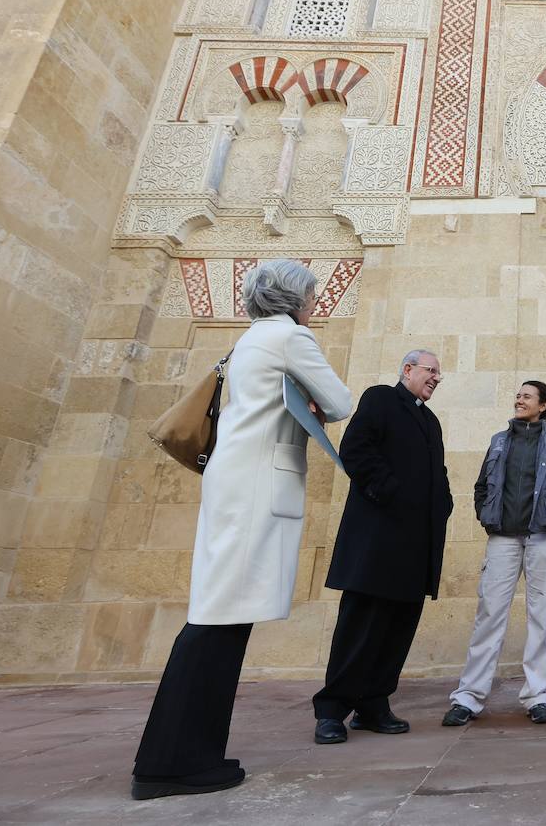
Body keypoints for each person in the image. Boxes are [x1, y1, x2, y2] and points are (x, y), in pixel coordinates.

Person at [132, 259, 352, 800]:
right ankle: (171, 764)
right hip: (256, 487)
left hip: (234, 483)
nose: (313, 305)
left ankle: (187, 755)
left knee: (218, 614)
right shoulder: (289, 338)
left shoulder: (249, 339)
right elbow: (341, 402)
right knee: (219, 619)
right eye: (310, 296)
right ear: (295, 299)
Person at [312, 350, 454, 744]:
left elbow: (437, 472)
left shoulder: (430, 420)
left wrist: (442, 504)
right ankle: (331, 710)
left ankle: (374, 704)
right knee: (361, 626)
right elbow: (356, 451)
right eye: (431, 371)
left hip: (415, 546)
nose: (436, 378)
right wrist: (389, 492)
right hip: (378, 541)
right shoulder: (380, 398)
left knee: (397, 627)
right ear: (407, 370)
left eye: (439, 374)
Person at [443, 381, 546, 726]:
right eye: (518, 395)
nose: (519, 399)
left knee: (541, 616)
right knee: (489, 613)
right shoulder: (499, 440)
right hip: (503, 537)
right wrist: (483, 511)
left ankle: (538, 696)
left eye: (527, 396)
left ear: (544, 405)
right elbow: (481, 485)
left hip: (545, 536)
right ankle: (468, 698)